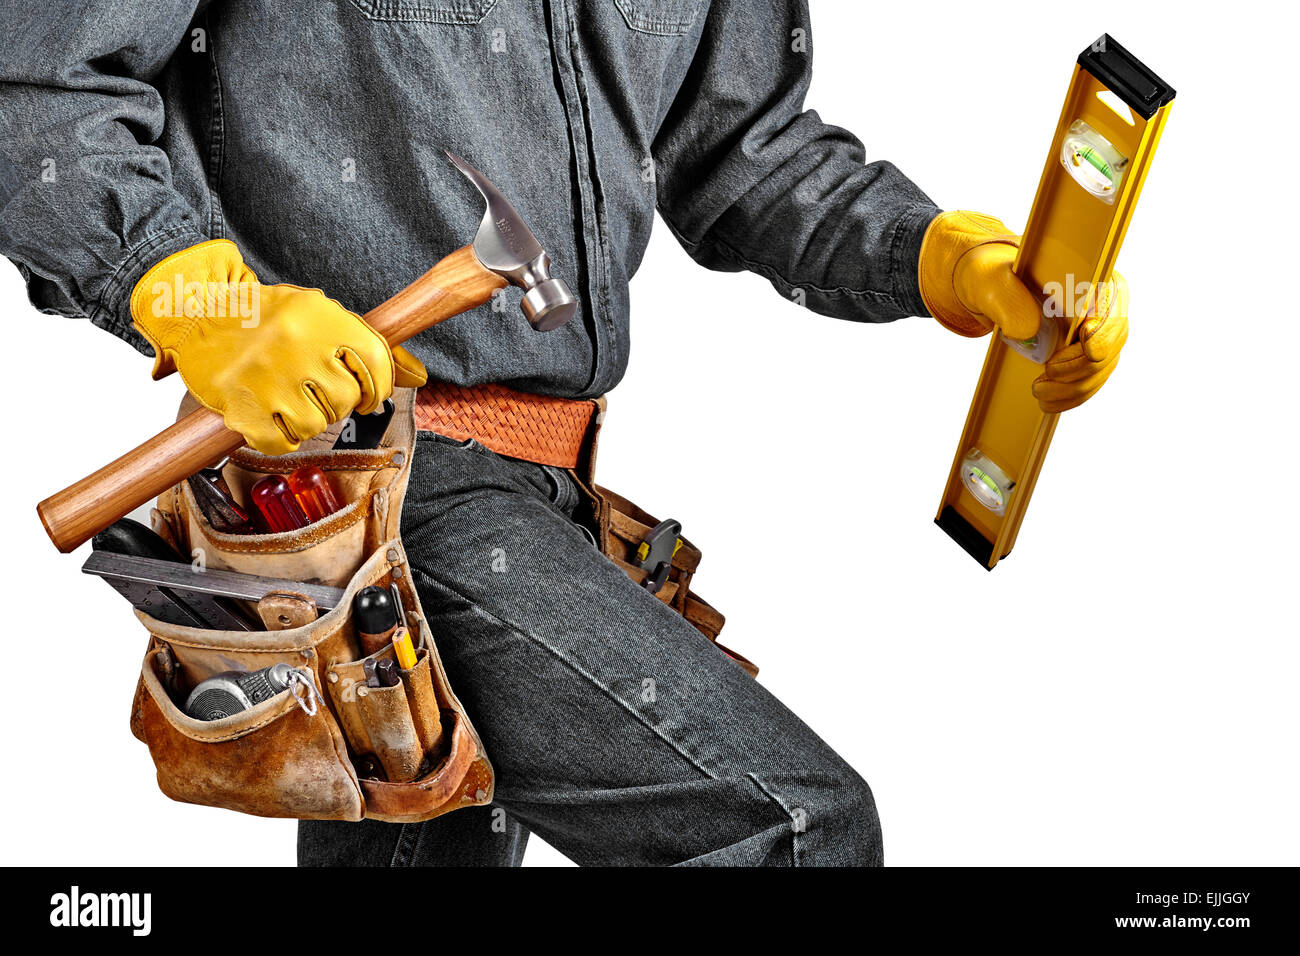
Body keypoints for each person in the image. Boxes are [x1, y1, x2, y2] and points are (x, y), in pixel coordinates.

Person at [0, 1, 1125, 866]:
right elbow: (31, 84)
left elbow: (746, 155)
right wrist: (204, 298)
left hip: (550, 481)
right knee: (788, 829)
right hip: (361, 482)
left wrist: (939, 260)